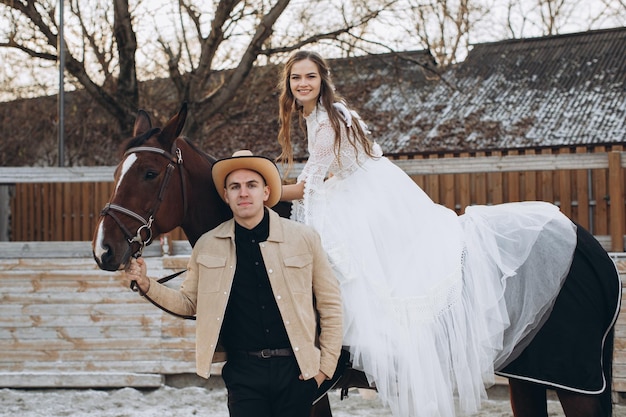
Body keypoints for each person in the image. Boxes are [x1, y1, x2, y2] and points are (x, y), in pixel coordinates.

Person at [276, 50, 586, 417]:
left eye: (309, 76)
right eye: (296, 78)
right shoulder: (323, 113)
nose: (303, 83)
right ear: (289, 84)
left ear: (322, 79)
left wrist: (264, 191)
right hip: (361, 187)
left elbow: (308, 186)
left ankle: (363, 348)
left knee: (355, 265)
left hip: (364, 196)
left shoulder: (327, 121)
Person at [124, 149, 343, 417]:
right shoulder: (207, 246)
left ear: (265, 192)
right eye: (235, 187)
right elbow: (189, 303)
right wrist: (147, 284)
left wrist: (324, 369)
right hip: (243, 375)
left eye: (252, 185)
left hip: (296, 372)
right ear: (226, 196)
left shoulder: (304, 238)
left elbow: (330, 304)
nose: (243, 193)